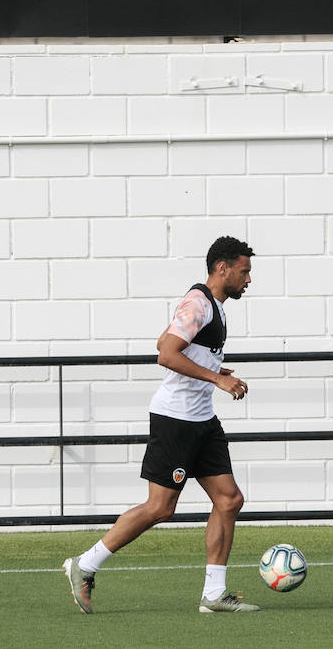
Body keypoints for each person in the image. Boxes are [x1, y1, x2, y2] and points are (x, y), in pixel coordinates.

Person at [63, 236, 259, 614]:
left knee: (229, 499)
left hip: (202, 419)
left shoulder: (212, 306)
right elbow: (166, 354)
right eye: (244, 271)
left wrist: (211, 367)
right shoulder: (198, 302)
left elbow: (166, 340)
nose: (248, 279)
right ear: (223, 268)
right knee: (160, 508)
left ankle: (214, 595)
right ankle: (84, 565)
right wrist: (216, 378)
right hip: (176, 420)